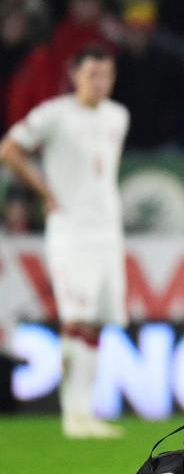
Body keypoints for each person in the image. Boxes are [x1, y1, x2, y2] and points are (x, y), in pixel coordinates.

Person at [0, 45, 128, 439]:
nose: (99, 82)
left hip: (108, 232)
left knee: (97, 324)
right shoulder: (54, 114)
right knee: (75, 320)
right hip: (71, 233)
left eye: (105, 75)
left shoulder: (117, 116)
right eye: (91, 74)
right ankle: (72, 414)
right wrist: (45, 191)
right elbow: (9, 150)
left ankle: (87, 411)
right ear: (75, 75)